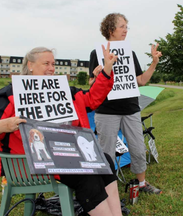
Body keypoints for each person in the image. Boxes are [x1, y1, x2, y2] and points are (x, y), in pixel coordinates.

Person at [0, 45, 123, 216]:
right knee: (87, 176)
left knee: (105, 161)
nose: (51, 68)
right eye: (46, 64)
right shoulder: (10, 95)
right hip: (29, 164)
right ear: (30, 65)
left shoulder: (63, 90)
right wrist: (5, 125)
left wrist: (107, 69)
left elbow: (91, 98)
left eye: (53, 64)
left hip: (66, 156)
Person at [89, 13, 162, 194]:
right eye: (122, 26)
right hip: (106, 111)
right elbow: (91, 85)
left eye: (126, 27)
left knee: (138, 148)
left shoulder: (130, 53)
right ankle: (107, 188)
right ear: (110, 29)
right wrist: (97, 76)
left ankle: (142, 184)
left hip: (130, 109)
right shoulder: (97, 53)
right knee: (107, 152)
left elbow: (141, 81)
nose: (125, 30)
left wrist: (154, 63)